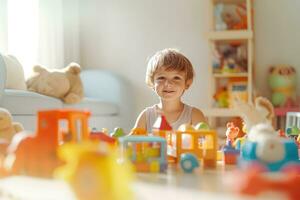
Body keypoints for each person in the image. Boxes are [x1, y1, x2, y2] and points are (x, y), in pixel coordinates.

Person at [133, 48, 206, 133]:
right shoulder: (146, 116)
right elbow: (132, 143)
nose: (168, 84)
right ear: (152, 82)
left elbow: (206, 143)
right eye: (161, 78)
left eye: (176, 78)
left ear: (187, 83)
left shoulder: (194, 115)